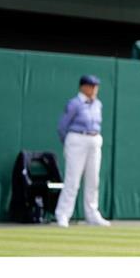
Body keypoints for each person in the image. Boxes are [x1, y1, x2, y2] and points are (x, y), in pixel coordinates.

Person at [54, 75, 111, 228]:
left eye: (96, 86)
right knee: (72, 180)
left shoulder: (98, 104)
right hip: (77, 139)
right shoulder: (74, 104)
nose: (94, 90)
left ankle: (92, 214)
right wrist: (69, 143)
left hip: (94, 140)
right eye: (91, 86)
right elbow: (62, 126)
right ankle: (63, 214)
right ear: (83, 87)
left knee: (93, 180)